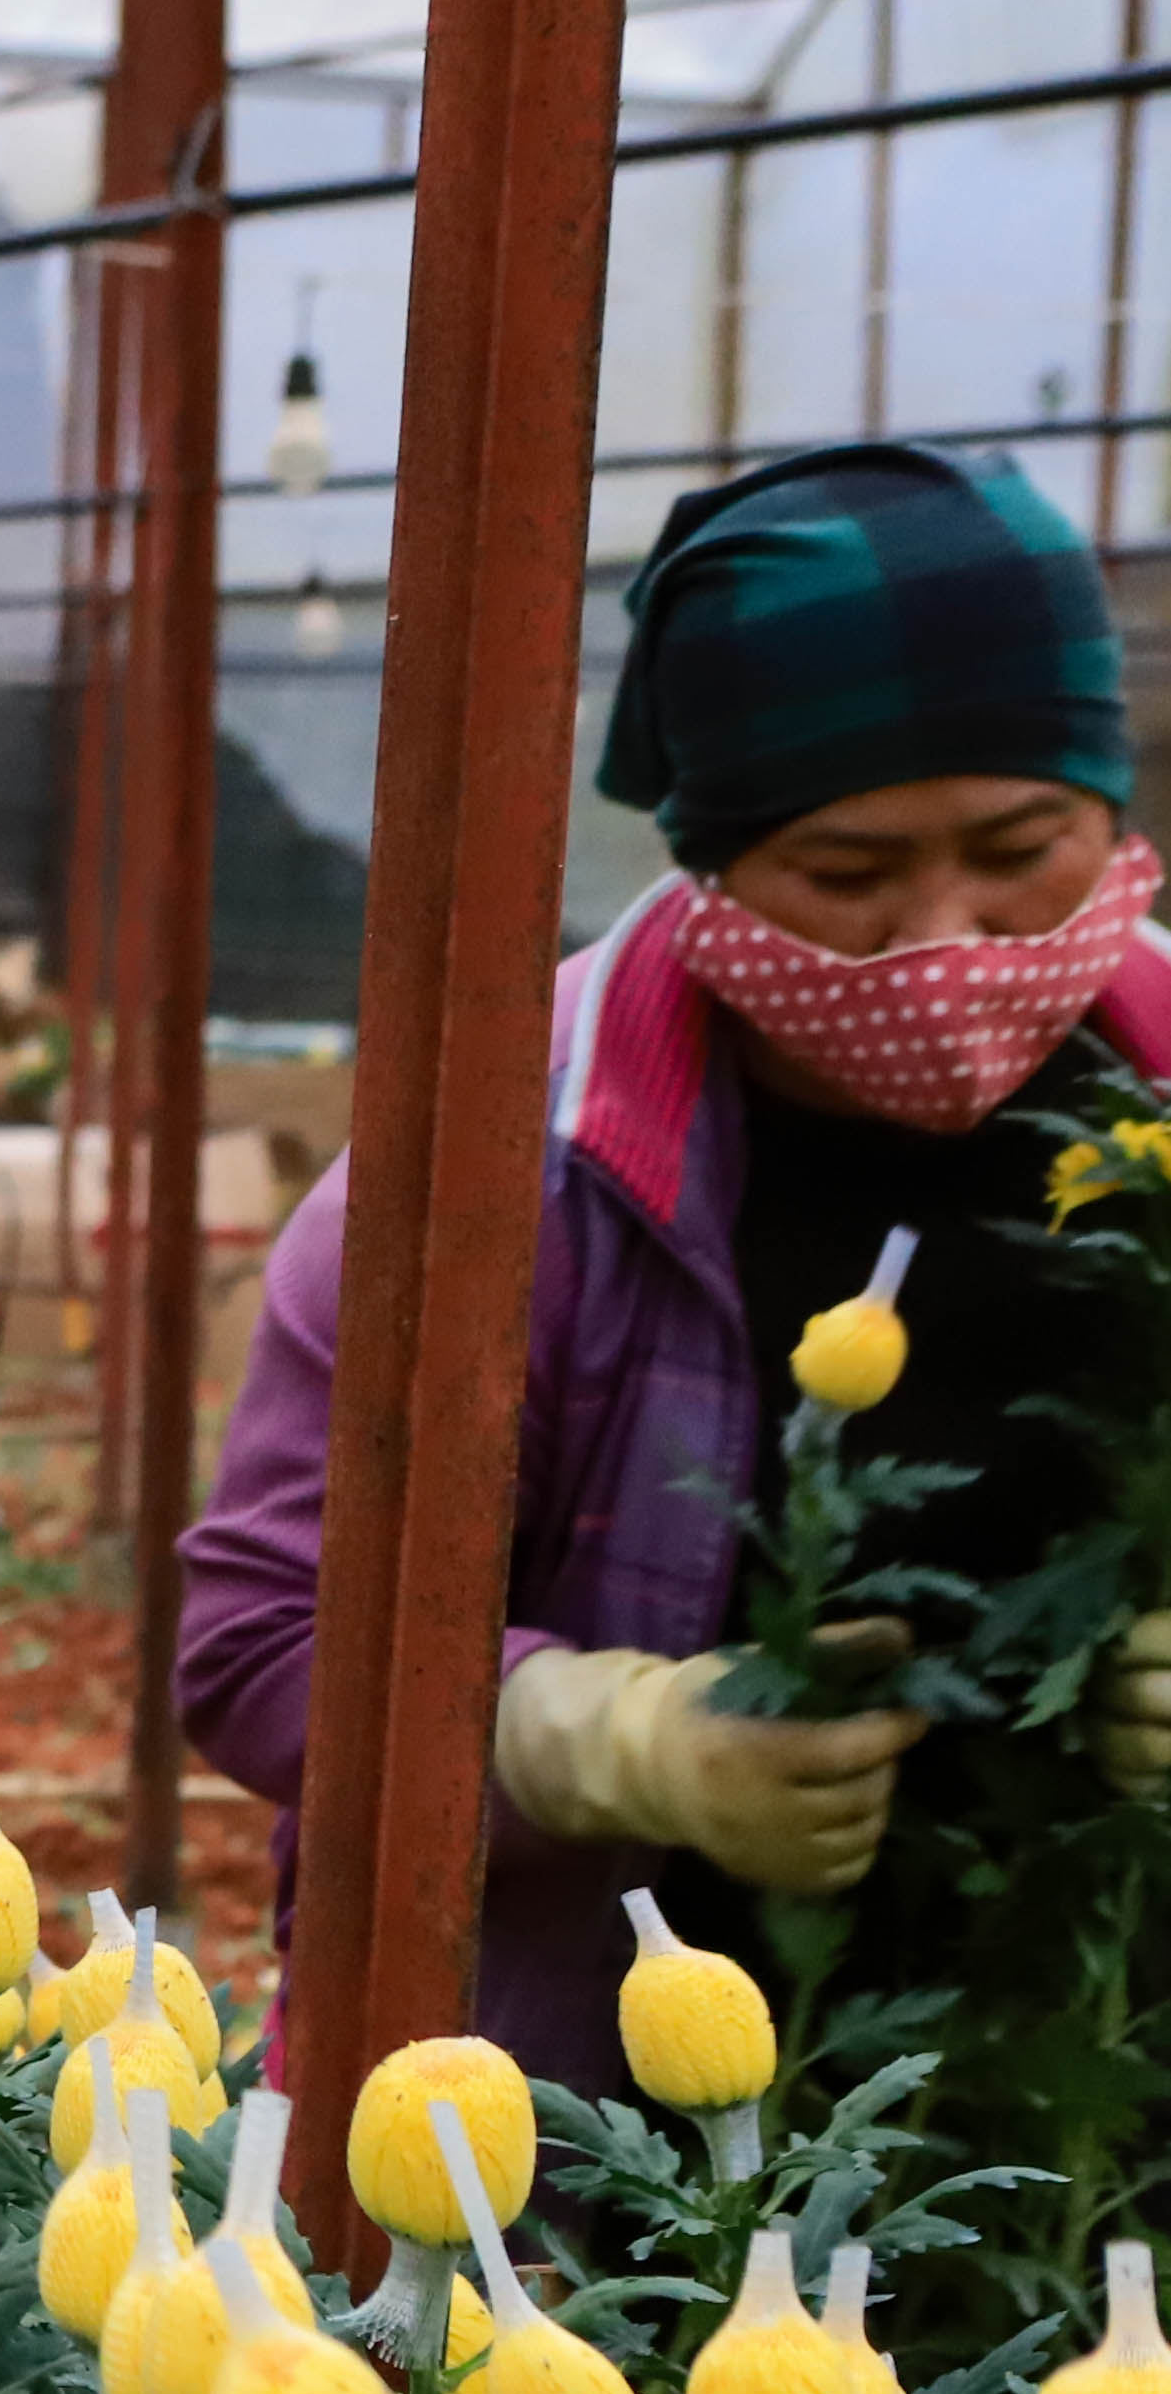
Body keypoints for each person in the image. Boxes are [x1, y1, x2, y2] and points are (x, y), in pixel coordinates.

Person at [185, 436, 1171, 2100]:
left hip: (1104, 2092)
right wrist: (604, 1739)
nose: (943, 938)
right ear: (707, 856)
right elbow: (255, 1640)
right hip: (620, 2130)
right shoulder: (499, 1176)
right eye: (846, 874)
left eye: (1021, 847)